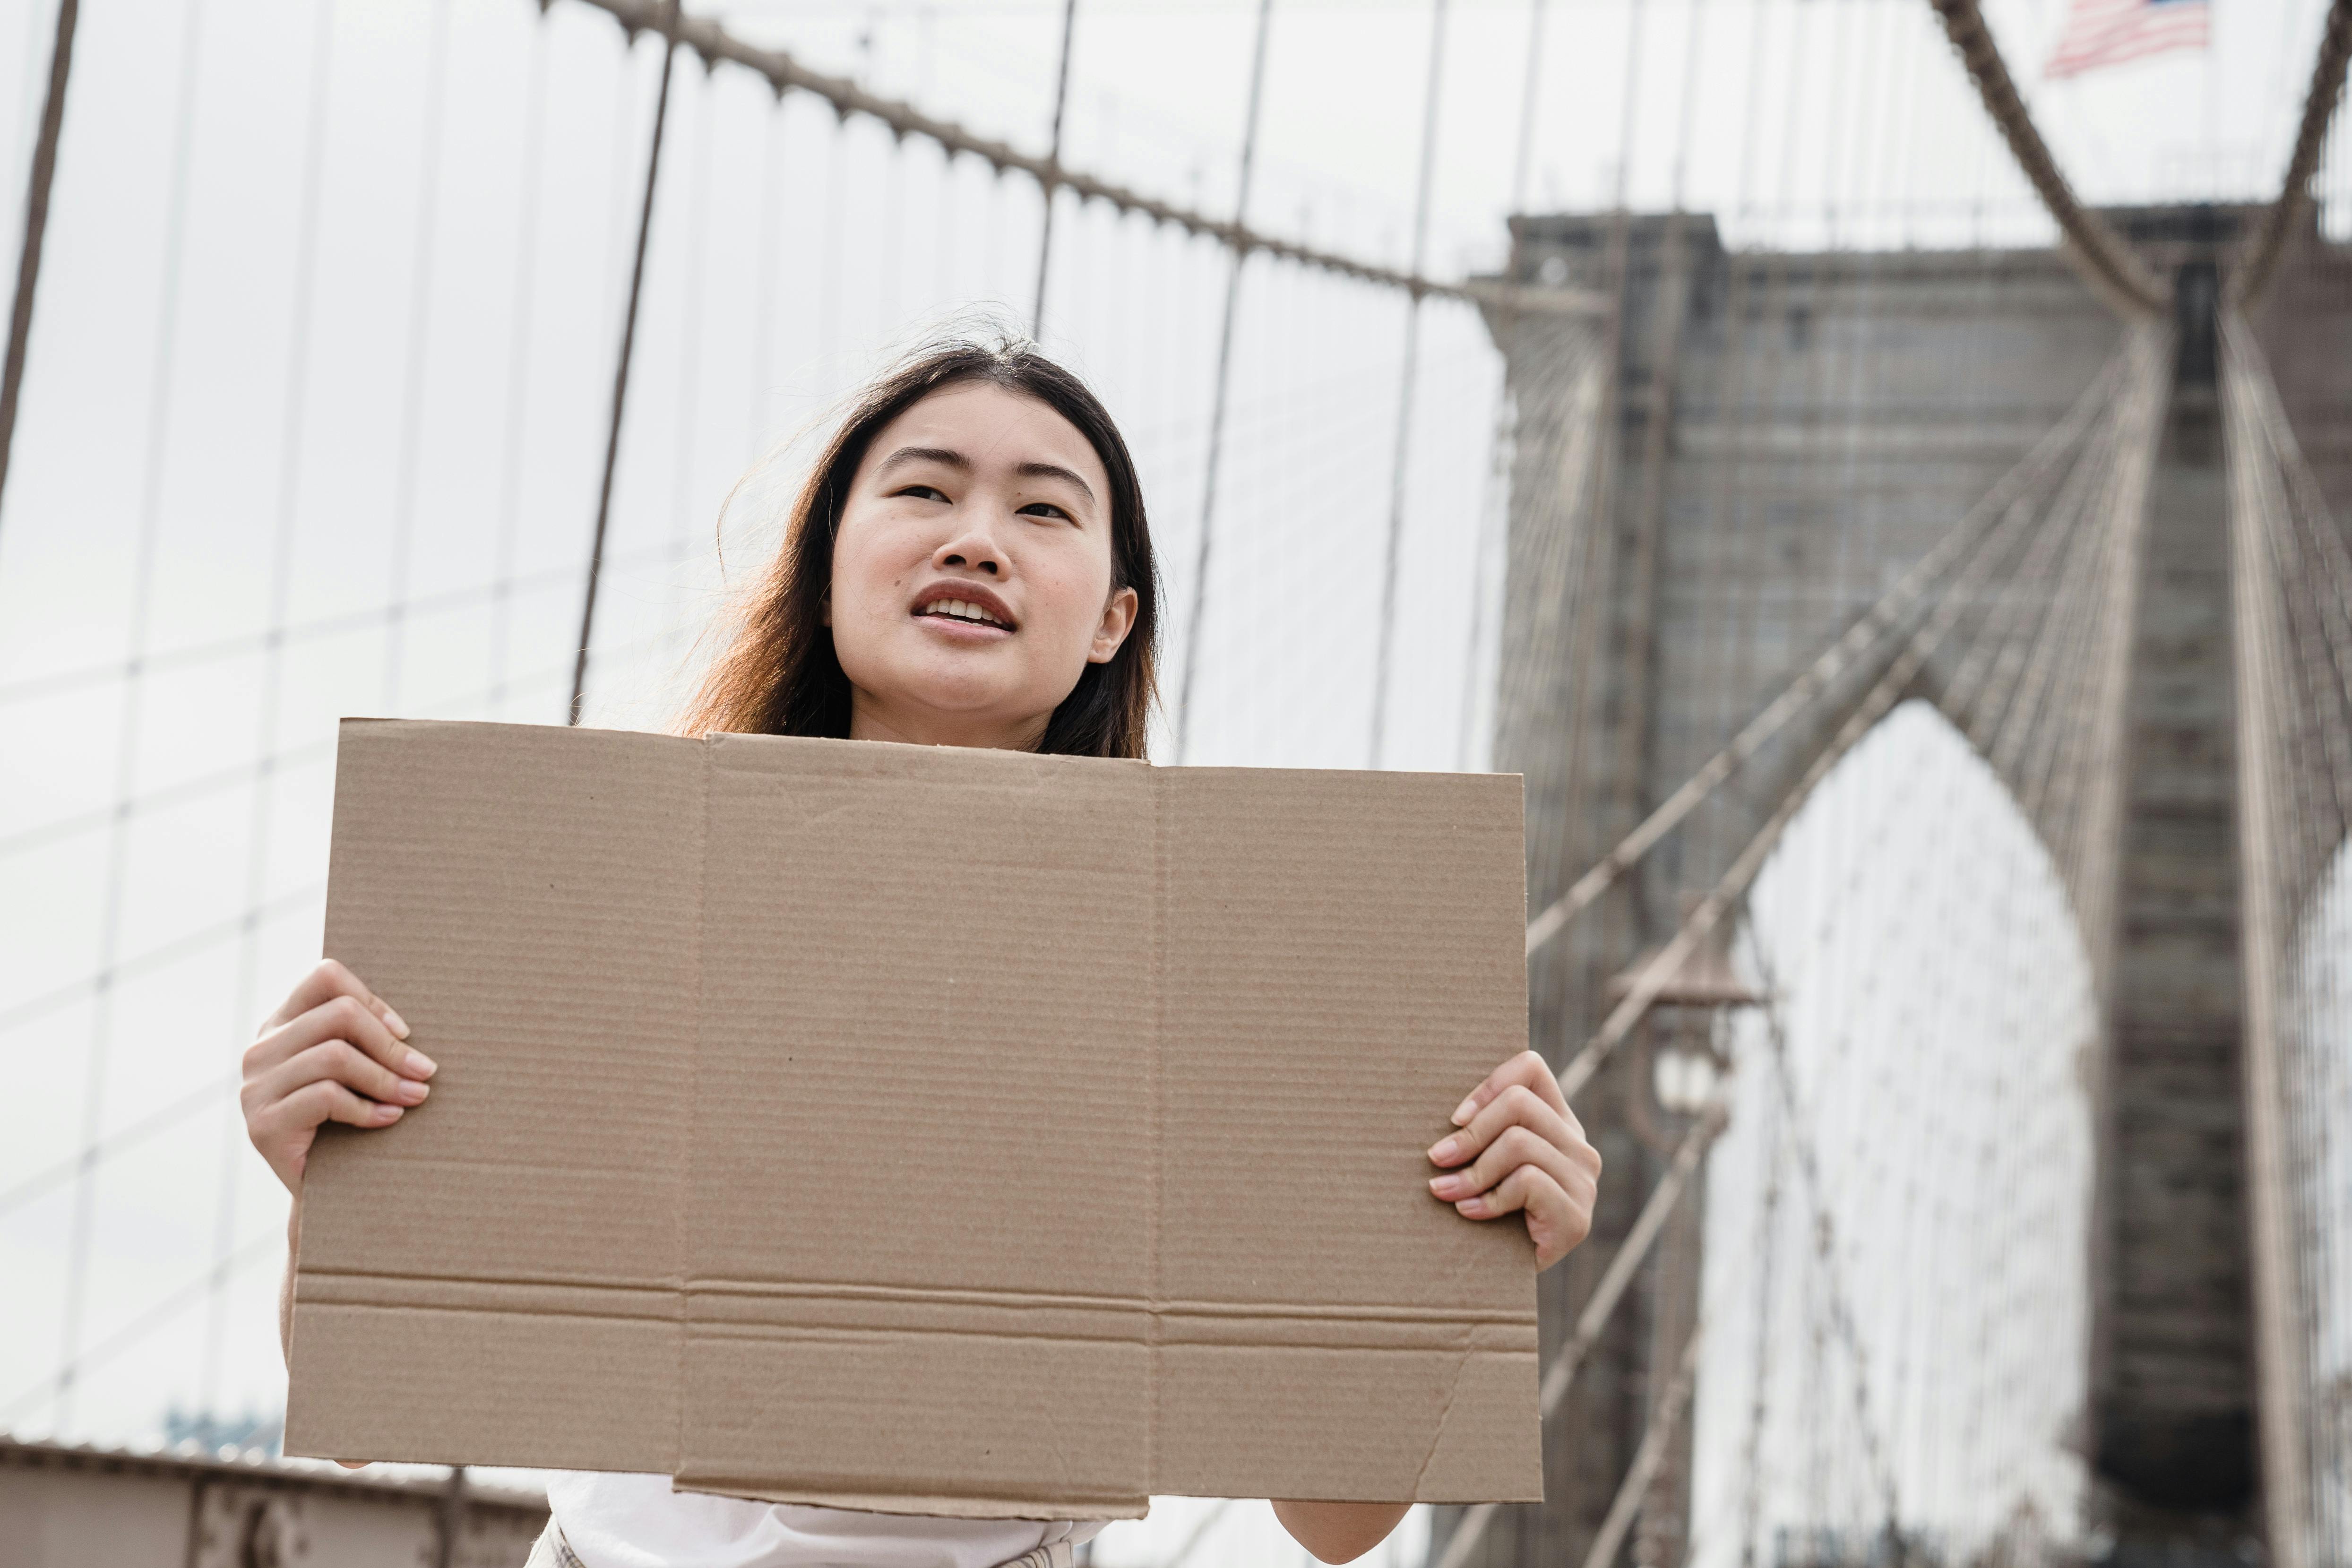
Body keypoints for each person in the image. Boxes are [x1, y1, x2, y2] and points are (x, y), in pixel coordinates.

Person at [240, 336, 1604, 1568]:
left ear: (1113, 618)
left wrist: (1454, 1261)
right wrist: (335, 1173)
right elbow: (365, 1424)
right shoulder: (584, 906)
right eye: (923, 492)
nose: (977, 539)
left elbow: (1337, 1526)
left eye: (1043, 510)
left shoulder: (1238, 980)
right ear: (826, 567)